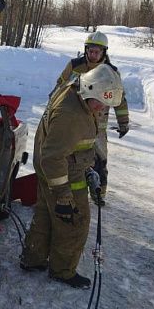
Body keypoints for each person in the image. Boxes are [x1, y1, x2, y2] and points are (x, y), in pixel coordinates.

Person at [20, 64, 124, 289]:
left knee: (46, 215)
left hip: (56, 169)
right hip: (62, 174)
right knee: (74, 223)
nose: (101, 109)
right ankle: (63, 271)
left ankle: (33, 258)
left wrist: (88, 166)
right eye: (100, 103)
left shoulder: (75, 89)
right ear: (90, 90)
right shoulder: (71, 115)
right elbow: (53, 157)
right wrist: (64, 196)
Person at [50, 31, 130, 206]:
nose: (93, 55)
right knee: (70, 156)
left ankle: (99, 193)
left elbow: (119, 98)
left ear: (104, 52)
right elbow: (60, 87)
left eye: (97, 52)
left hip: (98, 125)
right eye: (91, 51)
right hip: (74, 121)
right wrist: (52, 110)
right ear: (86, 50)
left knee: (99, 159)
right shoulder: (74, 66)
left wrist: (123, 122)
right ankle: (69, 189)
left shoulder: (111, 72)